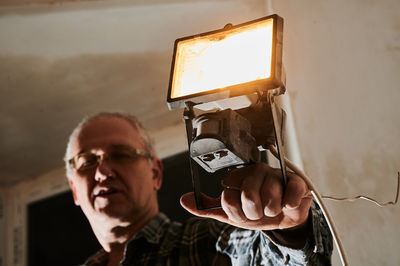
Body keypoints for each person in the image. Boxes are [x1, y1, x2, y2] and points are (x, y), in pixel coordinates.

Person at [64, 112, 333, 266]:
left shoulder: (208, 243)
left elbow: (263, 256)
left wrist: (289, 232)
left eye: (122, 154)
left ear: (155, 173)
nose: (102, 171)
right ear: (74, 190)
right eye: (87, 161)